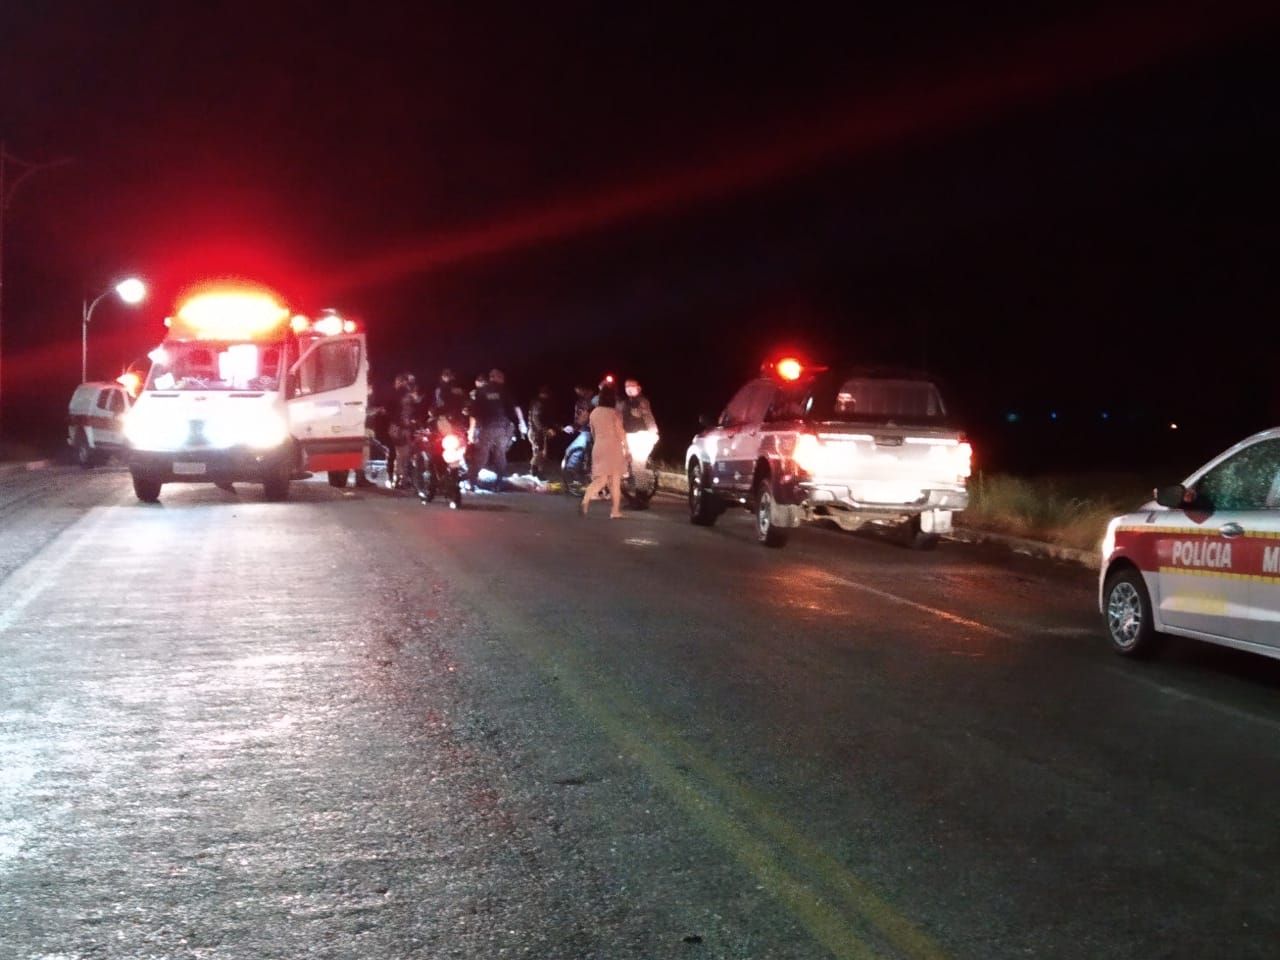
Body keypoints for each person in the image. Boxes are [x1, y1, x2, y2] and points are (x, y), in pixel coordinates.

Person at [468, 368, 523, 488]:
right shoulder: (504, 390)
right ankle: (499, 482)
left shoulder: (481, 391)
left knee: (482, 455)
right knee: (500, 455)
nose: (503, 380)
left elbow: (474, 413)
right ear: (497, 378)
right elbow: (516, 407)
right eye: (501, 378)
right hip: (501, 429)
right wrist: (522, 423)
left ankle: (472, 482)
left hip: (486, 428)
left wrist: (471, 431)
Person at [580, 385, 627, 518]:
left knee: (601, 479)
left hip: (599, 446)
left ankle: (586, 498)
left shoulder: (594, 413)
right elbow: (620, 432)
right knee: (615, 481)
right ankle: (615, 511)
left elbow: (593, 432)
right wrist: (627, 448)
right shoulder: (614, 413)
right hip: (613, 447)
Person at [527, 385, 557, 479]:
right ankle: (534, 471)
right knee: (539, 452)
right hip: (536, 432)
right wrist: (546, 429)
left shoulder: (537, 402)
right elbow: (536, 419)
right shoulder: (539, 403)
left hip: (538, 431)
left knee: (542, 453)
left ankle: (539, 472)